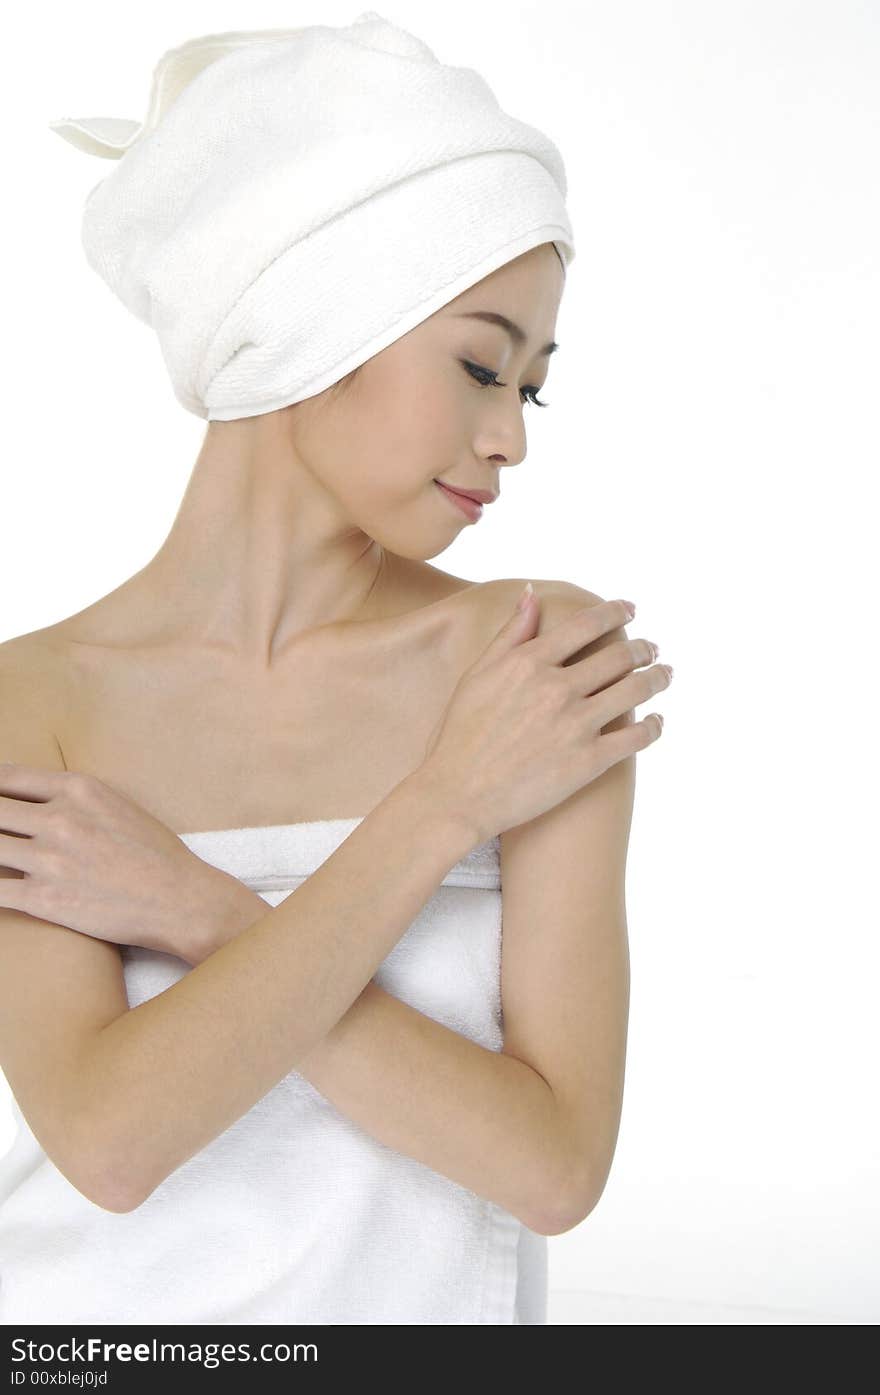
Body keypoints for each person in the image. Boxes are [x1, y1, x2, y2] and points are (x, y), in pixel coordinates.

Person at [0, 16, 671, 1324]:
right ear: (310, 318)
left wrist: (199, 910)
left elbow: (553, 1168)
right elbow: (110, 1144)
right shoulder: (34, 704)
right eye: (481, 363)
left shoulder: (536, 665)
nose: (510, 436)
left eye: (531, 387)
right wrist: (440, 810)